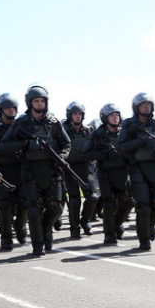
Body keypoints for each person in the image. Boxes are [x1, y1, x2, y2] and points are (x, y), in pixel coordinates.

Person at [0, 84, 70, 256]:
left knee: (56, 209)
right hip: (30, 171)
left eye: (42, 101)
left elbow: (66, 144)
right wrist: (25, 145)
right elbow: (3, 146)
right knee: (34, 210)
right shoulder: (21, 123)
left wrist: (62, 157)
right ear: (30, 103)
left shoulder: (54, 122)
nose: (39, 104)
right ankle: (38, 244)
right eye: (36, 101)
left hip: (52, 171)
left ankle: (46, 232)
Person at [115, 93, 155, 251]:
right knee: (144, 207)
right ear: (136, 107)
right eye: (143, 104)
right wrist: (142, 141)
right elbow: (120, 147)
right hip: (137, 168)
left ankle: (149, 224)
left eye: (149, 104)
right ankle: (144, 239)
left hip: (154, 168)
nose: (146, 107)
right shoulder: (129, 125)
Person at [82, 103, 132, 245]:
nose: (115, 118)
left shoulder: (125, 132)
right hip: (105, 174)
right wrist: (105, 154)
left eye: (117, 115)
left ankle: (117, 224)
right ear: (105, 118)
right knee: (109, 205)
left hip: (123, 172)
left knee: (128, 202)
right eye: (112, 115)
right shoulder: (97, 134)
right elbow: (86, 154)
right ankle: (109, 234)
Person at [0, 93, 28, 249]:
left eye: (13, 107)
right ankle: (6, 237)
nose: (10, 110)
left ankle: (20, 226)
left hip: (21, 170)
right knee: (5, 205)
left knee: (24, 202)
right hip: (2, 171)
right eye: (7, 107)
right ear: (0, 109)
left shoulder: (23, 126)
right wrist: (4, 151)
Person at [63, 101, 99, 239]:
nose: (77, 117)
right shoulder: (63, 130)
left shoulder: (88, 130)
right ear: (69, 115)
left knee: (92, 197)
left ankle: (85, 220)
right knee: (74, 199)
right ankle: (74, 228)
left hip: (86, 167)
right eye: (75, 114)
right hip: (69, 167)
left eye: (80, 114)